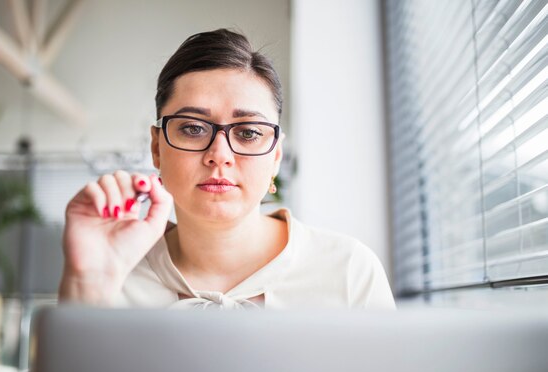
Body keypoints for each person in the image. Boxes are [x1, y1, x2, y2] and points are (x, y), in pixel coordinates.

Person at [58, 28, 395, 310]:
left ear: (275, 156)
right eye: (193, 128)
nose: (219, 156)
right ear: (157, 148)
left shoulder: (348, 271)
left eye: (248, 133)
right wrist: (85, 283)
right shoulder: (114, 271)